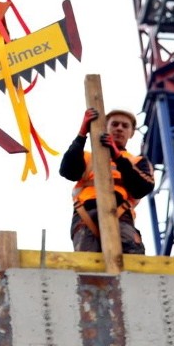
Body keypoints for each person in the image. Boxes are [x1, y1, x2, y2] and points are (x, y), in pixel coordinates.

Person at [59, 107, 155, 254]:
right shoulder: (88, 157)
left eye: (125, 126)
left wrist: (117, 156)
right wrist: (82, 133)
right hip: (86, 214)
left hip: (121, 216)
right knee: (88, 267)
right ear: (106, 127)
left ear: (132, 133)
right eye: (114, 124)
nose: (119, 129)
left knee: (131, 263)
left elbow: (143, 187)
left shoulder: (137, 161)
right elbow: (67, 170)